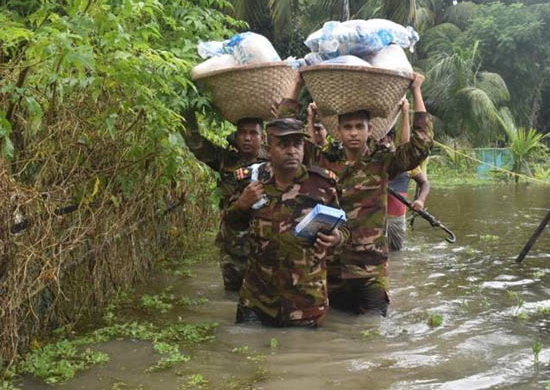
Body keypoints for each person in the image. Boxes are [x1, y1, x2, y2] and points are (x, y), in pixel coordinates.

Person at [305, 73, 433, 316]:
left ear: (369, 130)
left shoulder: (383, 162)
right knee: (332, 334)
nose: (353, 133)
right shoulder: (325, 161)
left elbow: (420, 146)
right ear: (339, 131)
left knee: (373, 330)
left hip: (370, 270)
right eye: (348, 127)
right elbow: (292, 145)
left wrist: (416, 91)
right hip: (332, 268)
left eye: (359, 127)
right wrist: (299, 91)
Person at [226, 112, 348, 327]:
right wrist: (242, 204)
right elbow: (230, 225)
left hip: (305, 302)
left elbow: (345, 228)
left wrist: (336, 238)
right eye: (283, 144)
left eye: (297, 144)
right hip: (257, 301)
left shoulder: (322, 185)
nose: (292, 151)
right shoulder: (251, 181)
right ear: (268, 147)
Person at [181, 111, 266, 291]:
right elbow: (196, 144)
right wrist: (187, 110)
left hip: (266, 246)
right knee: (232, 295)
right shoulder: (225, 160)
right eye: (242, 133)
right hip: (234, 245)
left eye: (253, 133)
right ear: (236, 136)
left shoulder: (274, 164)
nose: (247, 138)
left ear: (263, 137)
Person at [380, 100, 431, 251]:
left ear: (390, 139)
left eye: (383, 139)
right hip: (374, 220)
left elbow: (425, 184)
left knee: (396, 255)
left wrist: (420, 201)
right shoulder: (372, 160)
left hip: (395, 219)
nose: (380, 143)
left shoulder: (404, 162)